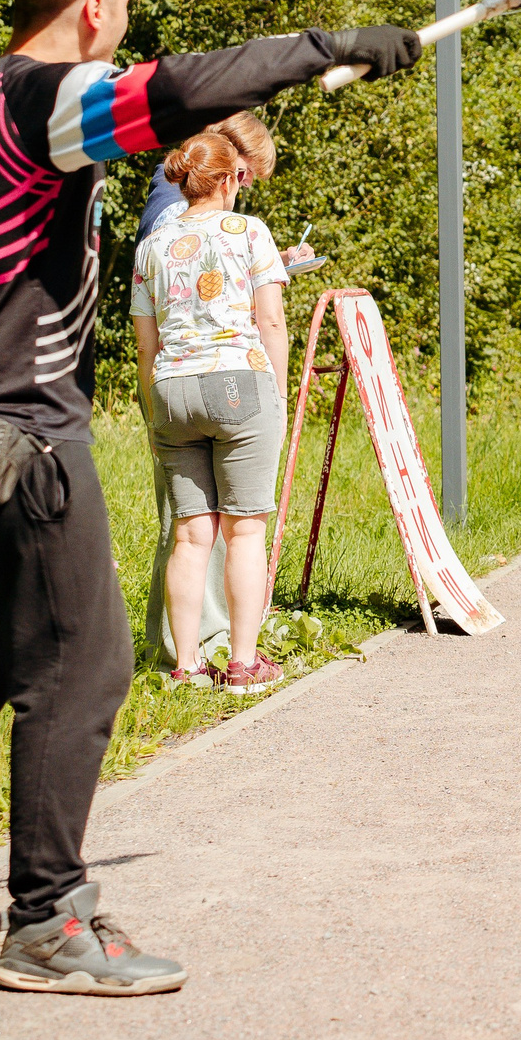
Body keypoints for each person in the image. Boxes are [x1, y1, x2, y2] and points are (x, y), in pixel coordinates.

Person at [0, 0, 418, 990]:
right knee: (82, 661)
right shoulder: (46, 95)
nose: (125, 27)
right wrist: (334, 47)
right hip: (22, 425)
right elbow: (174, 93)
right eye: (121, 7)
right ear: (91, 4)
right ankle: (48, 920)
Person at [137, 113, 310, 671]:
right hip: (239, 384)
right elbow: (272, 322)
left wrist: (151, 407)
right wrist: (278, 393)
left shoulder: (154, 245)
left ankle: (183, 668)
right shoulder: (251, 231)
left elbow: (146, 342)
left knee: (190, 538)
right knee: (244, 532)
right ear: (228, 177)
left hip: (171, 390)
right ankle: (242, 664)